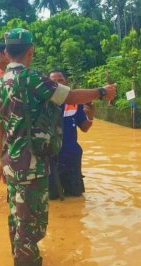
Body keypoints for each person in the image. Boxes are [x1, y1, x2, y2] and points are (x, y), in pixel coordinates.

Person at [0, 28, 116, 266]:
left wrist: (1, 161)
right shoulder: (32, 79)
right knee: (31, 220)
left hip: (10, 161)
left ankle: (21, 257)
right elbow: (69, 95)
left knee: (17, 215)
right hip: (31, 163)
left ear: (6, 52)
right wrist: (102, 92)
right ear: (31, 51)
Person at [48, 69, 95, 200]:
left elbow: (84, 127)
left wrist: (90, 117)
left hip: (71, 156)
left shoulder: (75, 102)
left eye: (60, 80)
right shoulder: (43, 103)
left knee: (76, 196)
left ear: (66, 82)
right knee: (52, 197)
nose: (57, 84)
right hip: (50, 157)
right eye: (53, 81)